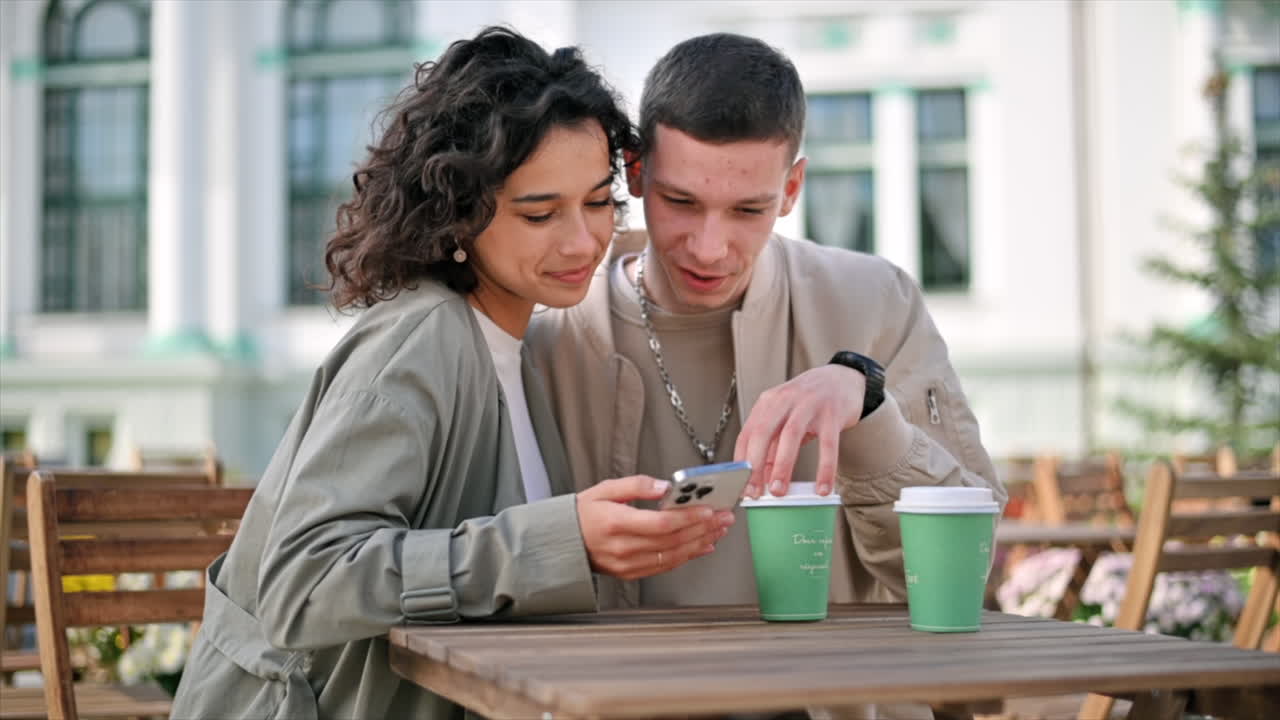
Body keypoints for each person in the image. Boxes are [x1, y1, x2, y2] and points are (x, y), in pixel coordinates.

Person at [170, 27, 731, 720]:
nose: (582, 240)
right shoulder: (420, 338)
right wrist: (561, 541)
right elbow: (303, 582)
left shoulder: (518, 347)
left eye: (595, 202)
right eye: (539, 212)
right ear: (458, 214)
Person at [528, 33, 1007, 611]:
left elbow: (964, 580)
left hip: (824, 698)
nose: (708, 248)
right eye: (681, 202)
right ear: (634, 171)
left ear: (792, 189)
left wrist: (871, 411)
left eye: (748, 210)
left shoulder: (876, 302)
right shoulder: (545, 330)